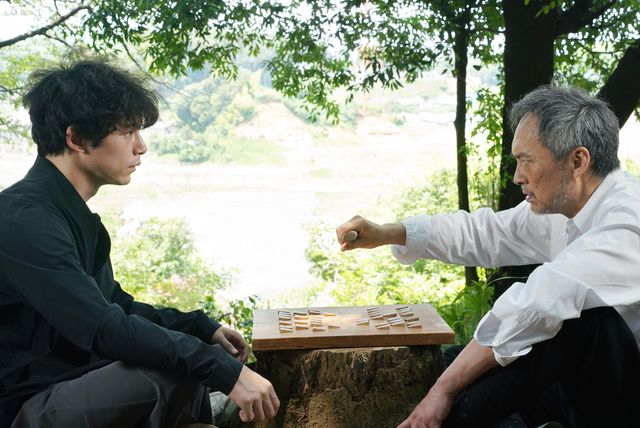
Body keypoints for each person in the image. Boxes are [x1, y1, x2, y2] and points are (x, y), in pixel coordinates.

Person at [336, 85, 640, 428]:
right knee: (452, 363)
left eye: (527, 160)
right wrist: (388, 233)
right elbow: (488, 232)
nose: (517, 176)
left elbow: (537, 304)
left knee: (576, 320)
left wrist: (443, 391)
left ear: (577, 161)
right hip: (572, 385)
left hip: (625, 401)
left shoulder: (628, 222)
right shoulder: (568, 204)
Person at [0, 58, 279, 428]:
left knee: (185, 356)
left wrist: (199, 327)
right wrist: (220, 369)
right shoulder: (23, 219)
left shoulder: (69, 214)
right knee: (169, 369)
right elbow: (104, 326)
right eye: (127, 132)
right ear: (77, 139)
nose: (141, 147)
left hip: (73, 385)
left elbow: (117, 305)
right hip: (26, 405)